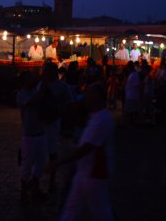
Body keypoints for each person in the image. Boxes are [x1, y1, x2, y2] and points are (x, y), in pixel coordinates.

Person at [54, 82, 114, 221]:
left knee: (101, 213)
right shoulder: (95, 116)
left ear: (97, 98)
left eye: (89, 95)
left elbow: (86, 148)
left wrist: (59, 162)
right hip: (85, 172)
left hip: (95, 175)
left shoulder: (102, 119)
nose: (86, 97)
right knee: (71, 210)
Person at [39, 62, 73, 192]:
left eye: (46, 71)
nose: (44, 74)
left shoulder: (62, 87)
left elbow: (69, 105)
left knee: (52, 151)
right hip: (42, 123)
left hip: (53, 123)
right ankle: (37, 179)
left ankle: (52, 179)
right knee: (41, 151)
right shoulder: (41, 86)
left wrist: (59, 114)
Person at [17, 71, 49, 204]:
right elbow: (32, 102)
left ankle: (35, 188)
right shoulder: (21, 95)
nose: (32, 80)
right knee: (27, 165)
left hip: (40, 132)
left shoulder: (35, 91)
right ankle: (24, 192)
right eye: (30, 78)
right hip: (29, 134)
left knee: (40, 163)